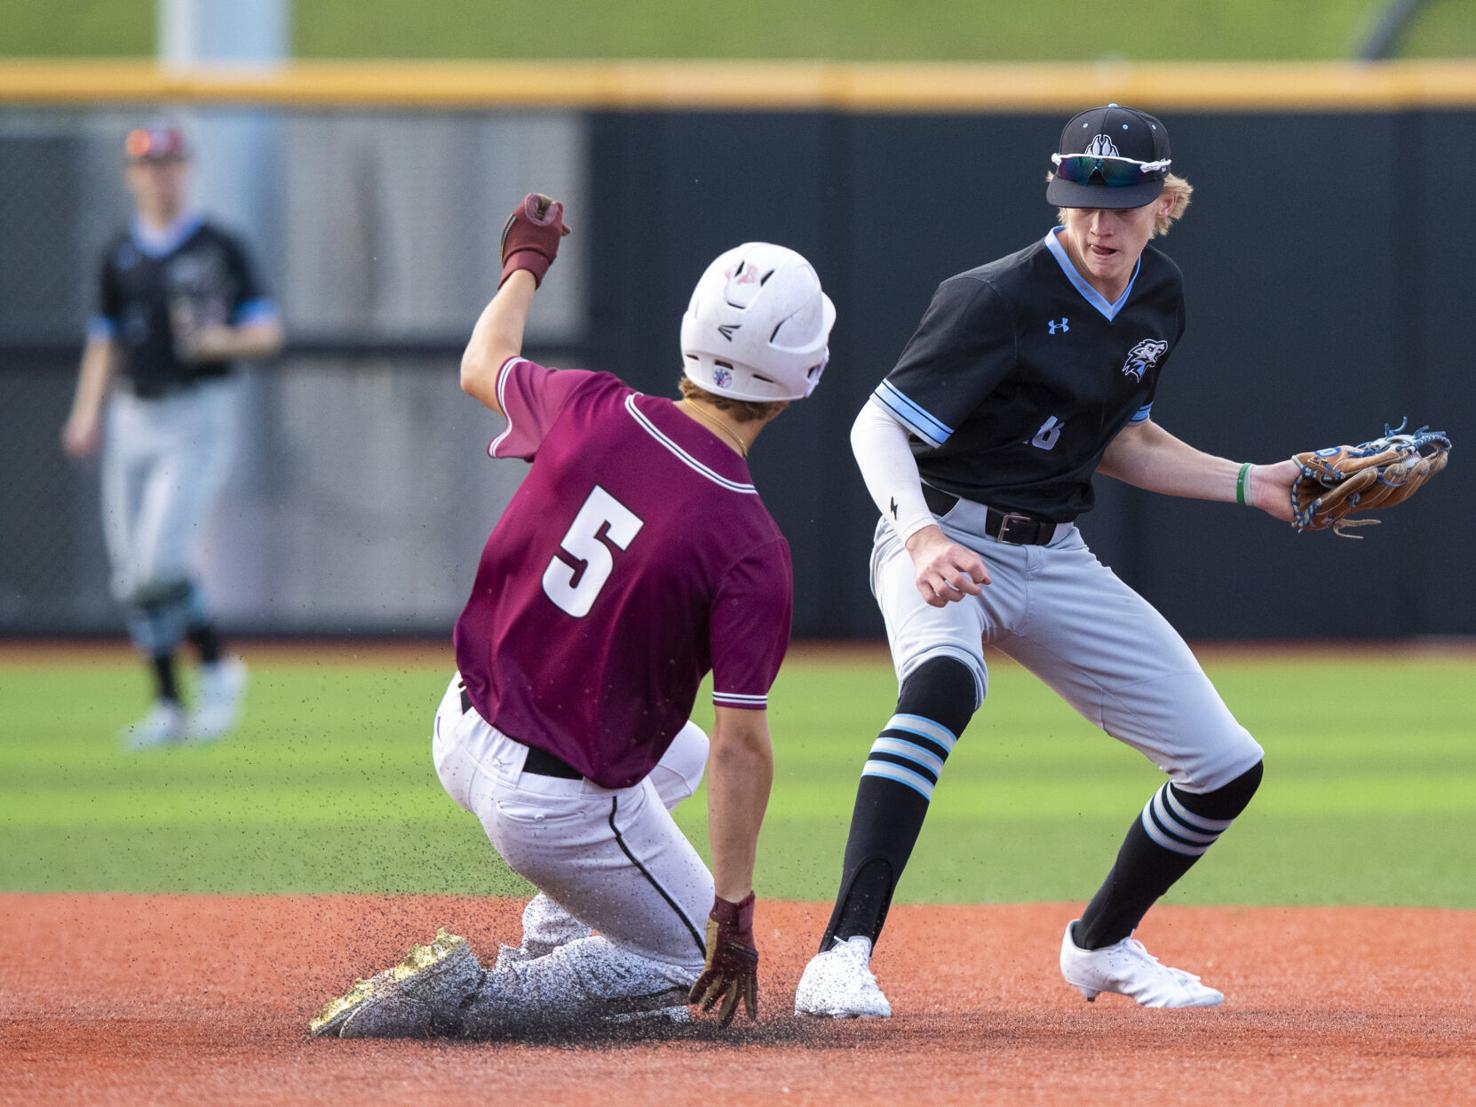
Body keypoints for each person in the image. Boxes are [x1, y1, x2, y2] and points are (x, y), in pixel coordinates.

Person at [794, 104, 1299, 1017]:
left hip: (1052, 552)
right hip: (943, 531)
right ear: (1057, 195)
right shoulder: (997, 295)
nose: (1099, 224)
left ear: (1163, 201)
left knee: (1227, 765)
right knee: (943, 685)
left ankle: (1100, 943)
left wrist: (1252, 483)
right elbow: (878, 423)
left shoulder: (1159, 295)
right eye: (1081, 202)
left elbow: (1124, 442)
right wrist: (920, 536)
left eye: (1121, 204)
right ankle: (841, 952)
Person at [309, 194, 836, 1038]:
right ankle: (483, 999)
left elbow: (482, 361)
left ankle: (549, 935)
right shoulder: (750, 541)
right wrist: (732, 915)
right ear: (803, 376)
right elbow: (747, 748)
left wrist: (524, 265)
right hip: (547, 807)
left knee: (679, 756)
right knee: (682, 971)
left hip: (459, 725)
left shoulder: (598, 404)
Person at [61, 124, 284, 749]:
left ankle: (216, 666)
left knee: (161, 562)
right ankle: (168, 707)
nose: (159, 173)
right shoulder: (119, 252)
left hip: (195, 413)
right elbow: (104, 339)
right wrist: (86, 412)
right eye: (147, 163)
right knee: (133, 575)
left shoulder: (218, 244)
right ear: (131, 174)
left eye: (169, 162)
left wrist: (221, 341)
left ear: (187, 168)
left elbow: (267, 333)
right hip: (132, 414)